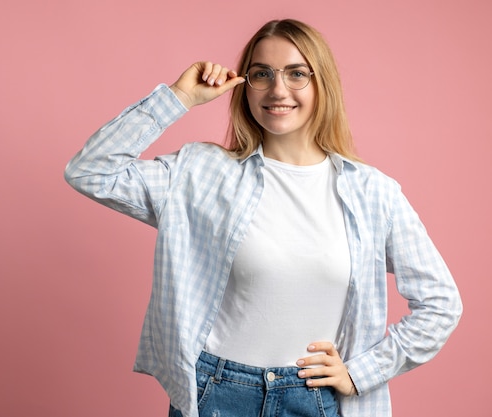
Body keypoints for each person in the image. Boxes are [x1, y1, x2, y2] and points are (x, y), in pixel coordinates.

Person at [65, 19, 462, 417]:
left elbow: (441, 304)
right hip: (217, 395)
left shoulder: (374, 194)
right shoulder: (200, 173)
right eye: (262, 74)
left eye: (296, 74)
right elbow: (91, 171)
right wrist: (180, 96)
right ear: (245, 84)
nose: (277, 90)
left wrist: (361, 372)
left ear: (322, 82)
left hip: (315, 399)